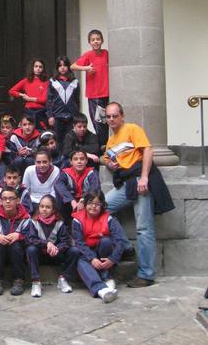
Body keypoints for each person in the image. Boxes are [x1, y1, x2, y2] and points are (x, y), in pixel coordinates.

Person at [103, 102, 175, 287]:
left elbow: (148, 150)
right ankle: (126, 247)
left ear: (122, 116)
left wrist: (144, 178)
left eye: (114, 116)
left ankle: (146, 274)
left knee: (144, 228)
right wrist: (110, 164)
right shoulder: (111, 140)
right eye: (108, 116)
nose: (111, 119)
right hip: (126, 183)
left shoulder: (132, 129)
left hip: (139, 180)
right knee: (103, 209)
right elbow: (107, 158)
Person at [72, 190, 124, 303]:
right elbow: (79, 242)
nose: (93, 206)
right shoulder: (77, 220)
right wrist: (92, 258)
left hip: (103, 252)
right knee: (81, 262)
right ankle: (101, 290)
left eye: (97, 204)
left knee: (106, 241)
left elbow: (120, 241)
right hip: (87, 253)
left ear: (102, 205)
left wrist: (113, 259)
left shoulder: (109, 218)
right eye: (90, 203)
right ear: (85, 204)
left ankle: (106, 276)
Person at [26, 194, 79, 298]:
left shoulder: (59, 223)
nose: (44, 209)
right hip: (39, 255)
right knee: (30, 249)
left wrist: (57, 248)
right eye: (42, 206)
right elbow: (31, 239)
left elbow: (65, 241)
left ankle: (63, 278)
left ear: (53, 209)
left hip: (55, 255)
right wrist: (47, 244)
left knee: (74, 251)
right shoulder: (33, 221)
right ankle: (36, 282)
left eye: (48, 207)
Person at [0, 186, 31, 296]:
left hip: (16, 251)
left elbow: (31, 237)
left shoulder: (25, 217)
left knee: (16, 245)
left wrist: (19, 235)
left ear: (18, 201)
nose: (8, 201)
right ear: (0, 201)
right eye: (4, 198)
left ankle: (19, 280)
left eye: (11, 198)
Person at [71, 30, 109, 147]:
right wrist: (86, 68)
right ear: (89, 42)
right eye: (93, 40)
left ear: (102, 40)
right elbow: (73, 66)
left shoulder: (107, 53)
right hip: (94, 95)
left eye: (98, 39)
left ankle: (108, 146)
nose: (96, 41)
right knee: (99, 124)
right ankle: (103, 147)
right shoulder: (88, 55)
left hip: (107, 94)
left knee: (109, 122)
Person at [54, 148, 100, 223]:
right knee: (58, 192)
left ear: (86, 161)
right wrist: (72, 201)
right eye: (75, 159)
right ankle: (62, 224)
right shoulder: (65, 173)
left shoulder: (92, 172)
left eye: (82, 159)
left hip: (87, 202)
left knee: (95, 195)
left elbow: (95, 187)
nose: (79, 162)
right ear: (71, 162)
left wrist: (83, 200)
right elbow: (59, 184)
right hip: (70, 203)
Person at [46, 56, 80, 151]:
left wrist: (77, 116)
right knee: (57, 139)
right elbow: (49, 100)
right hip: (57, 116)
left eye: (65, 65)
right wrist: (50, 116)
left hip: (71, 116)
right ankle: (59, 160)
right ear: (57, 68)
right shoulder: (53, 81)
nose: (62, 67)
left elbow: (77, 100)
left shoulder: (75, 82)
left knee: (70, 139)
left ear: (68, 67)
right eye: (60, 65)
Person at [8, 59, 48, 129]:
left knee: (41, 132)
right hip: (29, 111)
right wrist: (22, 95)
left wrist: (29, 98)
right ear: (32, 68)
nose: (38, 69)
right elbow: (11, 91)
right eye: (36, 66)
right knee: (28, 130)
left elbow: (44, 99)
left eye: (40, 67)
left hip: (41, 112)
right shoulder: (26, 81)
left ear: (43, 69)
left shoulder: (46, 82)